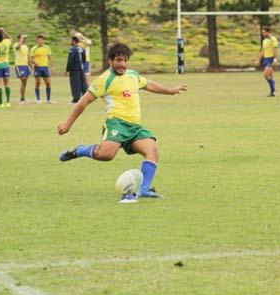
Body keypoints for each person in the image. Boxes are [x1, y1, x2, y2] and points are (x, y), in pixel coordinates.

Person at [57, 43, 187, 203]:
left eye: (125, 60)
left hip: (135, 127)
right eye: (119, 60)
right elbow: (83, 102)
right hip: (116, 124)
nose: (123, 64)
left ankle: (144, 189)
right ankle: (80, 150)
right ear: (110, 60)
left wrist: (170, 90)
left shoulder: (132, 75)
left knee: (152, 151)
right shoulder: (104, 80)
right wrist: (67, 124)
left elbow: (149, 84)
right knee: (105, 155)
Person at [30, 35, 54, 104]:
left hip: (45, 67)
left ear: (43, 40)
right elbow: (31, 59)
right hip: (38, 68)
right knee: (38, 83)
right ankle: (38, 99)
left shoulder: (47, 48)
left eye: (41, 40)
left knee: (48, 83)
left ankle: (48, 99)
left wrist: (52, 67)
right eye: (38, 40)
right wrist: (35, 63)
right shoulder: (34, 49)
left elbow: (50, 58)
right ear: (36, 41)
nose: (40, 41)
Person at [257, 26, 278, 97]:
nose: (263, 34)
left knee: (265, 75)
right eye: (262, 32)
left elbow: (275, 49)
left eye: (264, 32)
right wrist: (259, 59)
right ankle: (272, 92)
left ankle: (273, 88)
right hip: (266, 59)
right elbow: (263, 50)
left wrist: (275, 59)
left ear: (268, 32)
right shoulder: (264, 40)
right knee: (270, 76)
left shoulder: (273, 39)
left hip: (271, 59)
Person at [66, 36, 87, 103]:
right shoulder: (82, 49)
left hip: (74, 69)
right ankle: (85, 97)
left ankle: (76, 98)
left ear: (74, 41)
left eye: (71, 41)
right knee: (82, 83)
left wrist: (68, 69)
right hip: (81, 69)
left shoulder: (72, 49)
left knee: (75, 83)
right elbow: (84, 59)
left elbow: (70, 60)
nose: (71, 42)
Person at [14, 34, 30, 104]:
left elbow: (28, 57)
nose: (24, 39)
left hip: (25, 65)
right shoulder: (16, 44)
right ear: (19, 39)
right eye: (23, 38)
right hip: (19, 65)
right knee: (23, 80)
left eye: (24, 38)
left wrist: (31, 65)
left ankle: (22, 98)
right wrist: (21, 39)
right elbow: (17, 47)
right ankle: (22, 98)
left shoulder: (26, 46)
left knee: (24, 83)